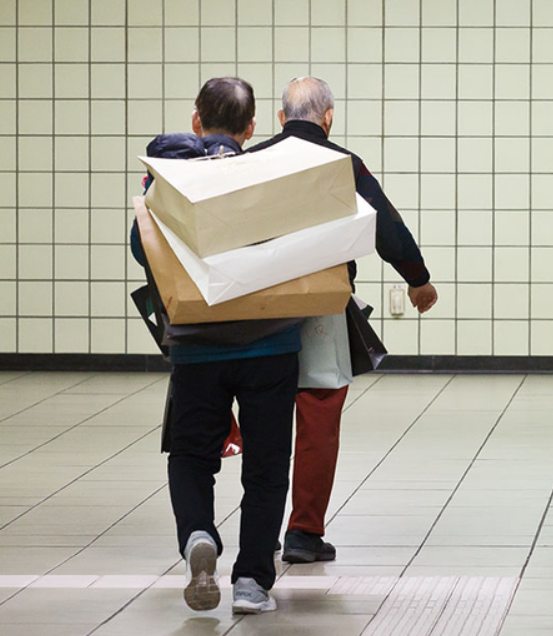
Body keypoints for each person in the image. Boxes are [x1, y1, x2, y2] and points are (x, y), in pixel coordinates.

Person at [246, 77, 438, 564]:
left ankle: (260, 529)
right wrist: (417, 279)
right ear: (328, 117)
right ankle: (303, 532)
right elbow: (385, 225)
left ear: (281, 118)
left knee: (264, 416)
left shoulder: (251, 161)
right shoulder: (343, 164)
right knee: (318, 411)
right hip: (321, 300)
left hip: (256, 303)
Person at [131, 77, 297, 614]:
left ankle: (198, 534)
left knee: (190, 453)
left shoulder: (169, 177)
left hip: (197, 344)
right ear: (252, 128)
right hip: (270, 344)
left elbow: (141, 248)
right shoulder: (270, 176)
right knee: (267, 463)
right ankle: (251, 582)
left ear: (196, 120)